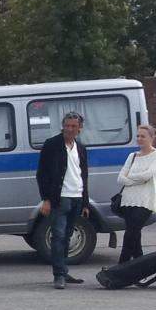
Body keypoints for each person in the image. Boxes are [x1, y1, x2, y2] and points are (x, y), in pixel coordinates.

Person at [36, 111, 93, 289]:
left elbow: (84, 175)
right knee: (58, 236)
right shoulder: (52, 144)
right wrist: (46, 199)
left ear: (80, 128)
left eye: (73, 126)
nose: (69, 129)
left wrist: (85, 202)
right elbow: (41, 174)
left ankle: (64, 270)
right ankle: (58, 275)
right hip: (60, 198)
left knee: (68, 236)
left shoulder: (81, 148)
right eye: (67, 126)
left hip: (77, 196)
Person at [113, 123, 156, 265]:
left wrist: (131, 177)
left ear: (152, 137)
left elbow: (147, 175)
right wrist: (136, 178)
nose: (139, 139)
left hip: (146, 201)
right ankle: (140, 267)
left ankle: (121, 266)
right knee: (135, 235)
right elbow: (120, 178)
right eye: (138, 136)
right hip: (128, 200)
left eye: (143, 136)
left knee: (130, 234)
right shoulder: (132, 156)